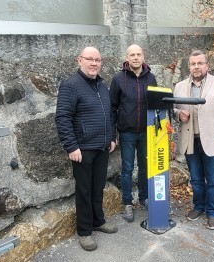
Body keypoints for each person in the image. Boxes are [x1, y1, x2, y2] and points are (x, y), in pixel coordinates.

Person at [55, 47, 118, 251]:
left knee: (98, 186)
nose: (94, 63)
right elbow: (62, 117)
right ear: (79, 60)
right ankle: (84, 231)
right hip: (82, 149)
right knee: (84, 190)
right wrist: (71, 146)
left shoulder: (101, 84)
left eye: (97, 60)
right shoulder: (70, 85)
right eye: (89, 59)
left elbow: (108, 113)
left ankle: (98, 221)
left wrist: (111, 138)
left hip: (102, 147)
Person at [173, 50, 214, 230]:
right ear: (189, 66)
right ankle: (199, 206)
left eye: (200, 63)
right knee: (196, 179)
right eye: (193, 64)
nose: (196, 67)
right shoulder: (180, 86)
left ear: (207, 65)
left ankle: (213, 212)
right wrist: (178, 115)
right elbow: (174, 109)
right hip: (190, 139)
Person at [110, 44, 158, 222]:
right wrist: (113, 133)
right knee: (128, 169)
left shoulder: (151, 78)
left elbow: (156, 104)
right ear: (127, 58)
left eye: (138, 54)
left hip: (146, 132)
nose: (136, 57)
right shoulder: (118, 79)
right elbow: (112, 107)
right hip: (127, 133)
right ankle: (127, 203)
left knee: (146, 167)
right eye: (132, 54)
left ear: (143, 57)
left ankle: (144, 198)